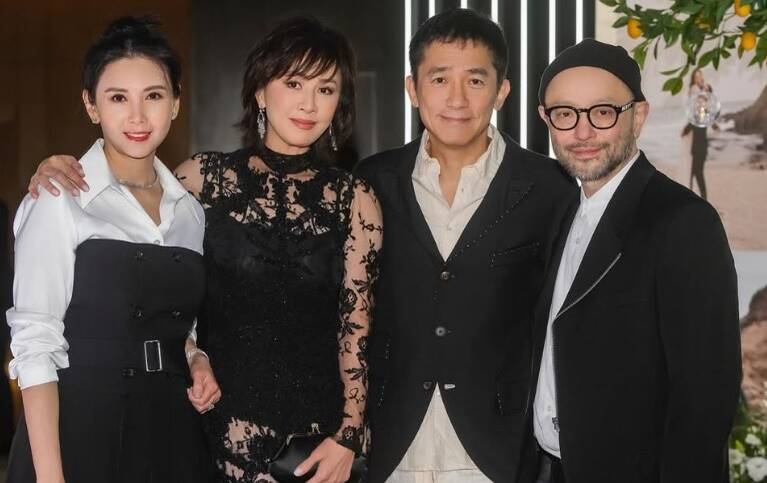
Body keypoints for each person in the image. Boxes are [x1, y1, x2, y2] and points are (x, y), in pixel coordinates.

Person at [27, 16, 382, 483]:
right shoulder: (199, 181)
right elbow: (150, 285)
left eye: (326, 89)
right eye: (294, 83)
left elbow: (356, 332)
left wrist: (349, 436)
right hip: (211, 434)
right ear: (260, 90)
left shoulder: (355, 199)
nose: (309, 103)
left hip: (317, 442)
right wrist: (57, 167)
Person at [355, 9, 575, 483]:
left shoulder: (550, 188)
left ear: (502, 91)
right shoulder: (371, 182)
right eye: (439, 79)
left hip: (498, 450)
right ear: (413, 89)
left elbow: (561, 325)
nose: (457, 99)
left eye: (475, 81)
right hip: (394, 446)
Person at [5, 16, 220, 483]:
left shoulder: (190, 212)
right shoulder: (58, 197)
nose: (137, 117)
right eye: (118, 98)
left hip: (171, 434)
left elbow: (175, 322)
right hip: (80, 431)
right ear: (91, 105)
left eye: (153, 96)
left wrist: (195, 357)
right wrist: (50, 478)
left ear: (176, 103)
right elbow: (35, 343)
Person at [525, 39, 741, 483]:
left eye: (603, 112)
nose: (582, 132)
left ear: (638, 116)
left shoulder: (683, 221)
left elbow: (706, 400)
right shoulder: (559, 212)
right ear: (547, 120)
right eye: (565, 114)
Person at [681, 68, 714, 199]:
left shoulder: (704, 104)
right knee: (695, 171)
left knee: (697, 171)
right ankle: (701, 199)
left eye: (700, 76)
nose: (699, 79)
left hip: (701, 143)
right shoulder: (698, 99)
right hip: (697, 142)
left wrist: (687, 128)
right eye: (696, 77)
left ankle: (703, 199)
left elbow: (700, 117)